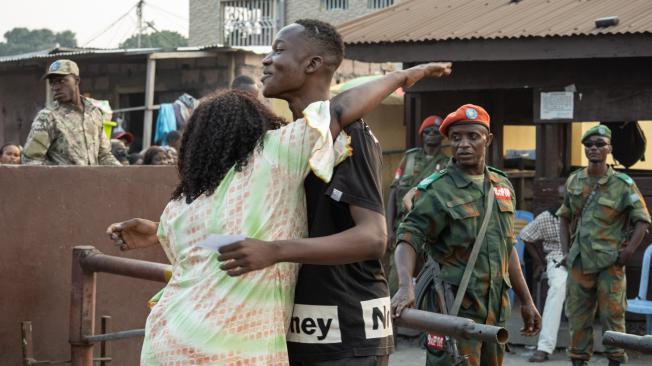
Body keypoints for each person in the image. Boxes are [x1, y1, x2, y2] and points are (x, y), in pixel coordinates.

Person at [107, 58, 451, 364]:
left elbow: (211, 241)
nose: (268, 60)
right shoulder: (272, 160)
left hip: (164, 340)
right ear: (259, 132)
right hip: (232, 350)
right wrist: (403, 76)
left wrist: (156, 231)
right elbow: (338, 109)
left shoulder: (181, 205)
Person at [214, 20, 448, 366]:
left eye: (278, 50)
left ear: (312, 64)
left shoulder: (348, 135)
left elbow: (372, 237)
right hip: (297, 328)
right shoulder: (289, 139)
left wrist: (275, 251)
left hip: (348, 332)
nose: (266, 60)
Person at [391, 104, 541, 366]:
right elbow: (408, 237)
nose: (463, 144)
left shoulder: (502, 186)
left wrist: (527, 300)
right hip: (453, 310)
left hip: (495, 310)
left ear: (488, 140)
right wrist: (406, 285)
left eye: (473, 136)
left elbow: (508, 248)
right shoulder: (437, 189)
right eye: (457, 138)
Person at [558, 125, 650, 366]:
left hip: (610, 264)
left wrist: (628, 252)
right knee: (577, 317)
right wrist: (566, 252)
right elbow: (564, 216)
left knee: (613, 318)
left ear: (609, 148)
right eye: (589, 145)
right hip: (579, 262)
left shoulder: (622, 183)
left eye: (600, 144)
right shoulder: (575, 180)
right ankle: (578, 360)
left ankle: (616, 360)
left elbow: (642, 220)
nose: (594, 149)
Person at [385, 115, 449, 293]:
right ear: (422, 135)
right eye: (427, 132)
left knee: (426, 285)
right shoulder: (409, 158)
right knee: (396, 281)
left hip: (429, 232)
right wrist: (388, 229)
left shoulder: (447, 165)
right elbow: (393, 192)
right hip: (402, 227)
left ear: (442, 136)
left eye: (435, 132)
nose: (431, 135)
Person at [22, 59, 120, 166]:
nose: (56, 87)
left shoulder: (94, 113)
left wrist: (124, 174)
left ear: (77, 81)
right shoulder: (48, 117)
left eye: (61, 81)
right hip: (63, 182)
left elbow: (104, 155)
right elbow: (31, 160)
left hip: (92, 181)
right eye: (52, 82)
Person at [520, 186, 566, 363]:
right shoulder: (549, 216)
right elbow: (526, 235)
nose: (566, 202)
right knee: (557, 288)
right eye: (563, 198)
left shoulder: (585, 214)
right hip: (558, 258)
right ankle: (544, 347)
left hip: (583, 259)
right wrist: (539, 261)